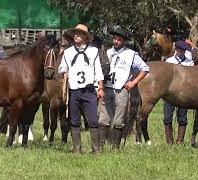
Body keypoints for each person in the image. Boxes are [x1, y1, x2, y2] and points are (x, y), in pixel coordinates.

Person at [98, 26, 149, 149]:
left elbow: (145, 68)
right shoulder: (107, 52)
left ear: (124, 41)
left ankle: (115, 147)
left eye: (119, 39)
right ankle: (100, 146)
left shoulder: (131, 54)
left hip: (121, 90)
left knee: (118, 119)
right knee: (103, 118)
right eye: (114, 39)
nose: (116, 41)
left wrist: (134, 82)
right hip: (107, 88)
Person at [58, 24, 104, 153]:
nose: (76, 35)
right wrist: (63, 72)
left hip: (89, 90)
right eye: (75, 33)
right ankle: (76, 149)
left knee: (93, 120)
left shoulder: (93, 51)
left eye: (79, 33)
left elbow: (98, 70)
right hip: (74, 91)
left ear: (85, 37)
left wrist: (100, 87)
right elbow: (62, 67)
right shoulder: (68, 52)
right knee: (74, 120)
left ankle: (96, 149)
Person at [163, 40, 194, 144]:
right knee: (167, 117)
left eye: (184, 50)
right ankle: (169, 141)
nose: (183, 52)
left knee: (182, 117)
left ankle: (180, 140)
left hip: (184, 94)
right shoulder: (169, 61)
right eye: (180, 50)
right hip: (170, 93)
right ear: (176, 50)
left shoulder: (189, 62)